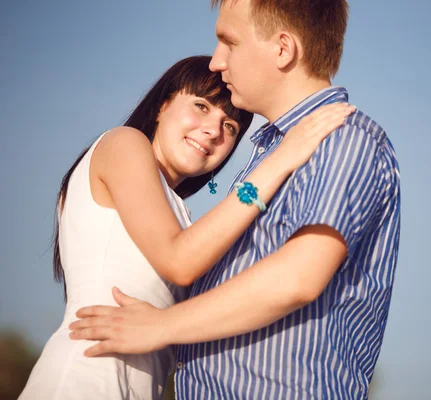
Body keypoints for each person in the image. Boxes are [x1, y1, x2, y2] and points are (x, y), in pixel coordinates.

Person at [70, 0, 401, 398]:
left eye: (229, 41)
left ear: (282, 49)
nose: (216, 61)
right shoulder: (273, 154)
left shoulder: (342, 139)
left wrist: (162, 325)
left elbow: (298, 277)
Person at [19, 54, 354, 400]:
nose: (212, 131)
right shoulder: (123, 143)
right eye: (201, 106)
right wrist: (282, 159)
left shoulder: (181, 216)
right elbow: (179, 261)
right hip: (85, 378)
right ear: (162, 105)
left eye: (230, 127)